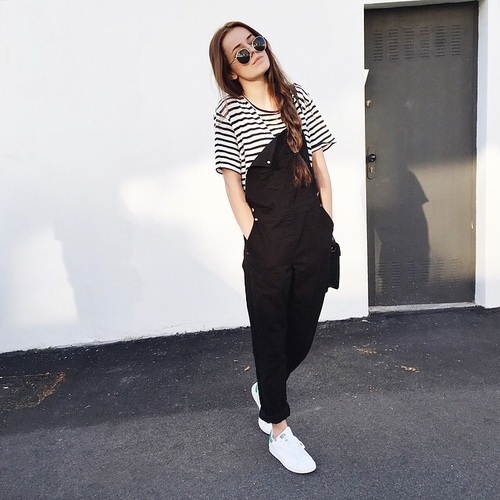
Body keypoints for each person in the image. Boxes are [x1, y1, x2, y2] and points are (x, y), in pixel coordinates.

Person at [209, 21, 335, 474]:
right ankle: (279, 429)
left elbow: (320, 166)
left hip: (311, 232)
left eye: (255, 42)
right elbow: (232, 182)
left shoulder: (296, 97)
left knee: (302, 330)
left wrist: (326, 222)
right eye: (240, 52)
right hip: (268, 240)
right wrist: (255, 237)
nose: (252, 52)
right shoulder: (229, 112)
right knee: (269, 332)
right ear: (231, 69)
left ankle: (267, 386)